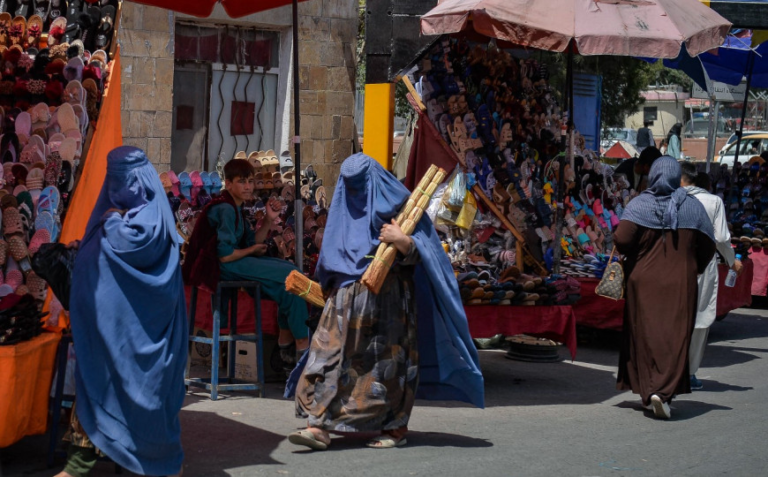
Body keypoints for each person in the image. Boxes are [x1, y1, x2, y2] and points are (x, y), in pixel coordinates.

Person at [288, 153, 484, 450]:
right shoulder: (343, 210)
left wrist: (402, 241)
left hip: (390, 305)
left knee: (386, 368)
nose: (357, 193)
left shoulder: (402, 206)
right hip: (344, 304)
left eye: (361, 185)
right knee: (327, 358)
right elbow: (330, 256)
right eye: (350, 186)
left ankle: (394, 428)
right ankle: (317, 425)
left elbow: (429, 254)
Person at [58, 146, 187, 476]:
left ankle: (154, 462)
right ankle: (78, 466)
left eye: (121, 180)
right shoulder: (116, 216)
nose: (114, 188)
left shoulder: (147, 220)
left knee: (137, 393)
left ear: (136, 179)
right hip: (109, 334)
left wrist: (113, 222)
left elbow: (135, 247)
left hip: (146, 335)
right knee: (97, 387)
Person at [614, 156, 716, 420]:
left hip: (642, 282)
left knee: (644, 335)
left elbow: (622, 239)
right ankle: (663, 393)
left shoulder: (639, 204)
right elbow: (707, 246)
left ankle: (649, 392)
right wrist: (693, 267)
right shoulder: (693, 207)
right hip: (680, 283)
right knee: (674, 336)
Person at [183, 158, 310, 362]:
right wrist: (252, 249)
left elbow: (253, 241)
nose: (249, 186)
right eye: (242, 181)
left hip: (232, 263)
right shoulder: (224, 208)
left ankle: (286, 343)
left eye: (250, 181)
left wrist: (269, 219)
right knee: (290, 274)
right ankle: (301, 344)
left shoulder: (236, 207)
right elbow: (225, 255)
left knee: (291, 274)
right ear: (229, 183)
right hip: (219, 267)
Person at [680, 164, 742, 390]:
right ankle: (690, 372)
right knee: (700, 318)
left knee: (675, 316)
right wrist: (731, 260)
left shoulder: (671, 198)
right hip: (703, 266)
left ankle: (672, 369)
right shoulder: (713, 202)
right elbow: (722, 238)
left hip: (673, 265)